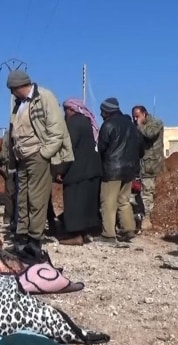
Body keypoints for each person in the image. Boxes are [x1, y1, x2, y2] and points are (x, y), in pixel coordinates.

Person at [2, 70, 73, 253]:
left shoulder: (45, 97)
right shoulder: (19, 104)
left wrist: (44, 154)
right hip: (22, 157)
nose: (11, 93)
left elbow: (57, 130)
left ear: (18, 86)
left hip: (37, 155)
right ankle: (21, 237)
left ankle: (34, 240)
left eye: (12, 89)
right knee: (22, 198)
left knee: (36, 198)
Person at [58, 99, 102, 245]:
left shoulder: (74, 123)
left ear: (71, 109)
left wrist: (60, 170)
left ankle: (76, 235)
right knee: (87, 204)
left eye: (66, 110)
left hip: (78, 170)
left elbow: (68, 149)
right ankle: (87, 232)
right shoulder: (86, 122)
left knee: (75, 203)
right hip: (92, 169)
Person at [97, 98, 141, 243]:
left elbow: (102, 148)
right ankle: (128, 229)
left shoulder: (108, 125)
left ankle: (108, 234)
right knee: (124, 201)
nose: (100, 114)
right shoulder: (131, 125)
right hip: (130, 170)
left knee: (108, 202)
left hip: (112, 170)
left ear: (106, 111)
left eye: (102, 111)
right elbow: (140, 148)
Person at [132, 105, 165, 231]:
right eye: (134, 117)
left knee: (147, 192)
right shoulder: (136, 125)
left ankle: (147, 219)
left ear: (144, 114)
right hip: (139, 164)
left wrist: (139, 126)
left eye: (138, 116)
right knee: (136, 193)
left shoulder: (155, 123)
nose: (135, 119)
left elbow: (151, 134)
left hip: (151, 164)